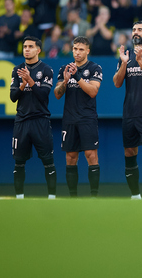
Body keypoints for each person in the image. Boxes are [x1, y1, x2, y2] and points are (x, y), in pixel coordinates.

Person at [113, 21, 142, 200]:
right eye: (133, 30)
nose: (135, 33)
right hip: (129, 112)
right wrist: (124, 63)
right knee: (129, 152)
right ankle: (135, 196)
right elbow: (117, 83)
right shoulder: (125, 55)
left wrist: (140, 60)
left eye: (140, 30)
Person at [54, 36, 103, 197]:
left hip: (87, 118)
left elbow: (93, 91)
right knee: (70, 157)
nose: (77, 52)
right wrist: (65, 81)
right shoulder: (64, 69)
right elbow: (57, 94)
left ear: (87, 51)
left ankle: (94, 196)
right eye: (75, 49)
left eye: (81, 49)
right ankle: (73, 197)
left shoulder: (95, 68)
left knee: (91, 155)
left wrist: (77, 77)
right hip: (69, 119)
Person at [10, 36, 57, 199]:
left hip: (40, 120)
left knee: (48, 161)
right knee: (19, 162)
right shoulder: (17, 69)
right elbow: (13, 97)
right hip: (22, 121)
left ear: (38, 50)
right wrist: (22, 84)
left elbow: (43, 95)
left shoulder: (46, 69)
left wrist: (30, 80)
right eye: (24, 47)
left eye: (30, 46)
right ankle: (19, 198)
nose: (26, 49)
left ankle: (52, 198)